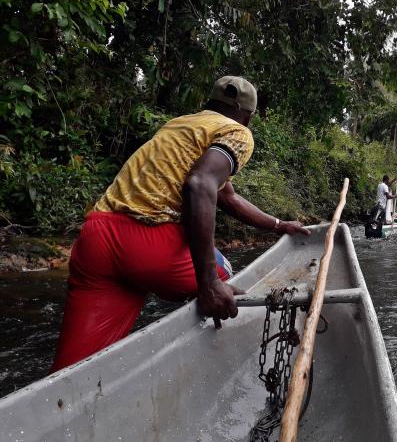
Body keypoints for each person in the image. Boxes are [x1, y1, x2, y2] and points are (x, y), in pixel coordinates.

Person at [51, 76, 310, 372]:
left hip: (96, 239)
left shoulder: (180, 125)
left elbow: (229, 198)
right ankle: (214, 349)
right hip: (147, 248)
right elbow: (200, 184)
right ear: (247, 115)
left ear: (210, 103)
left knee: (70, 371)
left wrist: (278, 225)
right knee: (222, 270)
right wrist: (209, 283)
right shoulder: (237, 133)